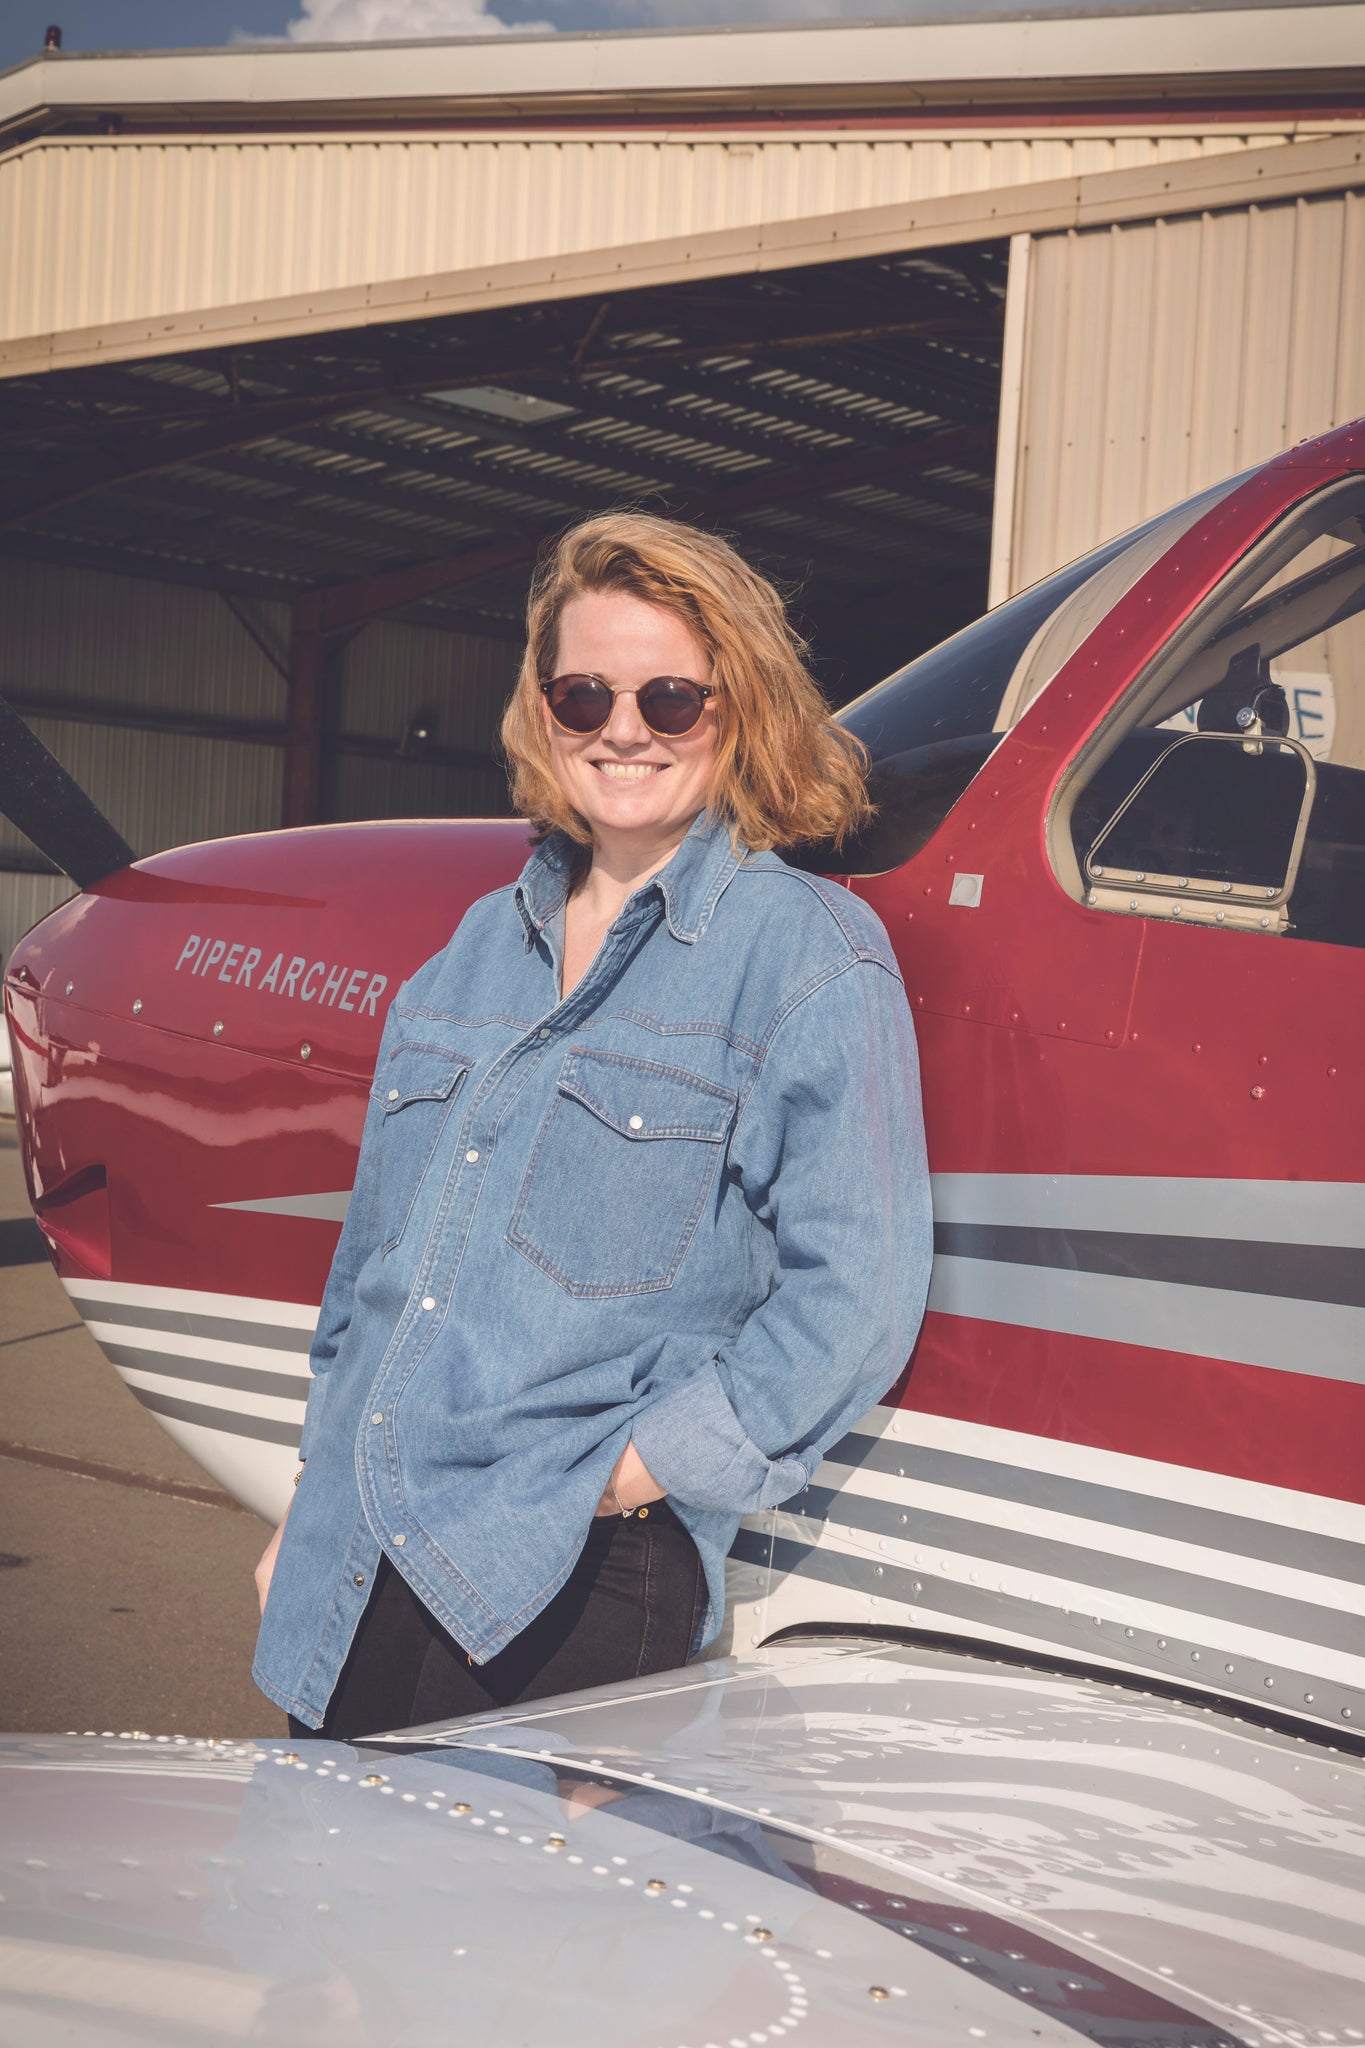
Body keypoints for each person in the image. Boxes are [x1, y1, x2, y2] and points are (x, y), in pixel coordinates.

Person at [252, 511, 932, 1738]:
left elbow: (859, 1298)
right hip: (357, 1558)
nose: (624, 729)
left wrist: (619, 1480)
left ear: (743, 709)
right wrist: (313, 1493)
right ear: (543, 709)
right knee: (301, 1910)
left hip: (571, 1578)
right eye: (585, 694)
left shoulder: (810, 957)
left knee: (502, 1930)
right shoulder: (465, 955)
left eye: (671, 697)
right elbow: (373, 1275)